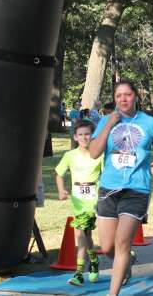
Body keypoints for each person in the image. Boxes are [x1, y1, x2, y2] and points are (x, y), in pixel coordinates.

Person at [89, 79, 153, 296]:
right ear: (114, 99)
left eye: (127, 95)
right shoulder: (106, 120)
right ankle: (126, 261)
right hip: (109, 188)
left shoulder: (150, 123)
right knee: (107, 247)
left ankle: (112, 293)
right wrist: (109, 124)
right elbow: (94, 152)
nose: (123, 99)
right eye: (118, 96)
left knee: (122, 242)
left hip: (137, 188)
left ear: (136, 97)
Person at [55, 120, 103, 286]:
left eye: (87, 134)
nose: (84, 137)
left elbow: (107, 176)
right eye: (80, 134)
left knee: (80, 234)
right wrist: (61, 190)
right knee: (85, 235)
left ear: (93, 136)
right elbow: (59, 173)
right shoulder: (70, 156)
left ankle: (79, 273)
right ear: (75, 137)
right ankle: (94, 260)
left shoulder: (99, 155)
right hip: (77, 202)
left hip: (93, 201)